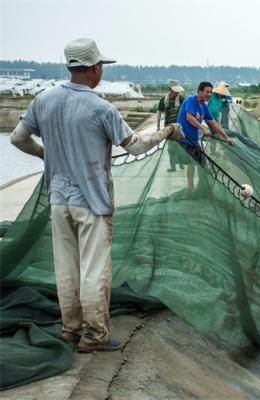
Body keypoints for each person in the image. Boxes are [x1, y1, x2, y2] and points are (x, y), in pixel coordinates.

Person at [10, 38, 183, 353]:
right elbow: (136, 145)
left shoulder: (43, 99)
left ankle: (70, 329)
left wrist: (45, 154)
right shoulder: (101, 107)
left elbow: (18, 138)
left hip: (58, 200)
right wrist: (168, 131)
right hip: (92, 203)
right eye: (101, 65)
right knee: (94, 270)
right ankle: (94, 336)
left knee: (66, 267)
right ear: (94, 68)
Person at [176, 81, 234, 191]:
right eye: (207, 92)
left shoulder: (204, 107)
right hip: (184, 138)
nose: (209, 94)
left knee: (202, 162)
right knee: (191, 163)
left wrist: (226, 137)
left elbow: (213, 123)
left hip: (194, 139)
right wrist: (203, 129)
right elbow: (189, 118)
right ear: (199, 92)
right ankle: (191, 188)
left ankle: (202, 186)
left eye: (211, 92)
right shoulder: (191, 100)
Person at [157, 79, 186, 172]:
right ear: (170, 89)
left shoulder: (181, 99)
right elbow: (159, 112)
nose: (177, 92)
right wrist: (158, 127)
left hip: (179, 126)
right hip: (168, 127)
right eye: (175, 90)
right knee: (171, 148)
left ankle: (181, 163)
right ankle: (173, 166)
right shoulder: (164, 100)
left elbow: (186, 112)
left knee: (181, 146)